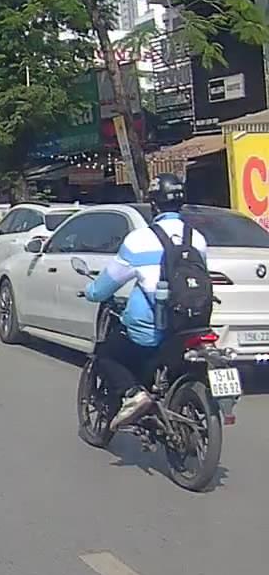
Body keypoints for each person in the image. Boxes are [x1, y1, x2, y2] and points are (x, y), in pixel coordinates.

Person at [84, 173, 208, 430]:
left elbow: (106, 285)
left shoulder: (139, 240)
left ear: (153, 205)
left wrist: (91, 292)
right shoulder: (197, 238)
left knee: (106, 353)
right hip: (189, 327)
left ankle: (133, 394)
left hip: (152, 331)